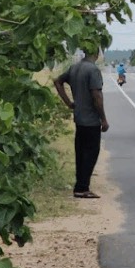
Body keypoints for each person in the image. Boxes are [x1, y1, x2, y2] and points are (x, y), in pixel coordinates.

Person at [53, 46, 109, 199]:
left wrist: (69, 103)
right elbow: (97, 96)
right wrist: (103, 119)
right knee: (91, 153)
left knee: (80, 153)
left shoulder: (74, 68)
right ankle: (83, 188)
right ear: (97, 54)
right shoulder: (93, 70)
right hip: (91, 120)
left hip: (79, 118)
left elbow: (57, 82)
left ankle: (80, 186)